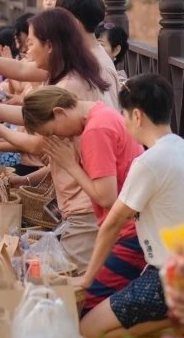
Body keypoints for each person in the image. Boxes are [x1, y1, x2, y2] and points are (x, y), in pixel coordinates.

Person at [0, 8, 115, 269]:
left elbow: (38, 142)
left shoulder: (70, 85)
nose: (27, 51)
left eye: (30, 43)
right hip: (76, 201)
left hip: (84, 204)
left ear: (50, 45)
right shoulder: (67, 71)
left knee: (67, 284)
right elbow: (20, 71)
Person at [73, 74, 184, 338]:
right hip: (179, 267)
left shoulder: (149, 161)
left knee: (87, 331)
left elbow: (112, 223)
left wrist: (86, 278)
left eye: (124, 116)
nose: (124, 123)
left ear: (137, 116)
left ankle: (180, 316)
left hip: (170, 276)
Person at [21, 86, 146, 315]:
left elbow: (106, 197)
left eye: (51, 132)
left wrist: (70, 165)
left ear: (59, 112)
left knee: (83, 309)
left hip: (130, 233)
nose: (58, 137)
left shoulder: (95, 130)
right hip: (130, 228)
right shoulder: (101, 114)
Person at [56, 0, 120, 99]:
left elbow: (107, 114)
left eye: (57, 19)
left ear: (74, 23)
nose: (54, 24)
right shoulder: (80, 56)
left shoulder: (99, 69)